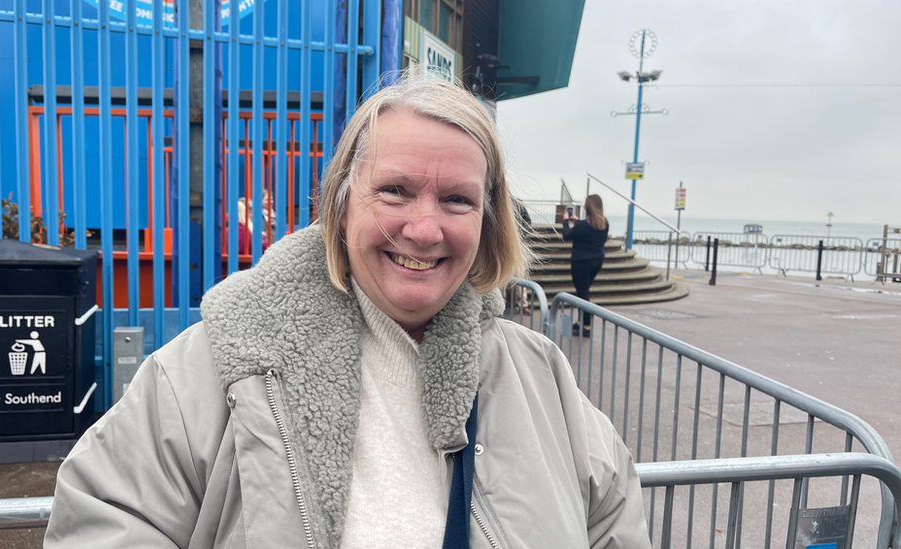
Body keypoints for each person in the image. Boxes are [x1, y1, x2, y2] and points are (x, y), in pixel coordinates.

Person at [45, 76, 647, 548]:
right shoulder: (217, 366)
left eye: (457, 200)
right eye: (396, 191)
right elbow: (105, 518)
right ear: (340, 203)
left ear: (487, 225)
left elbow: (613, 515)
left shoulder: (541, 376)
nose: (424, 227)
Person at [562, 194, 610, 337]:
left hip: (581, 262)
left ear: (588, 207)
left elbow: (567, 235)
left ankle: (586, 327)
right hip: (597, 260)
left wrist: (565, 221)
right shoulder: (604, 223)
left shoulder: (583, 226)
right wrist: (578, 222)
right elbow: (591, 231)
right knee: (584, 291)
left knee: (582, 293)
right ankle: (580, 321)